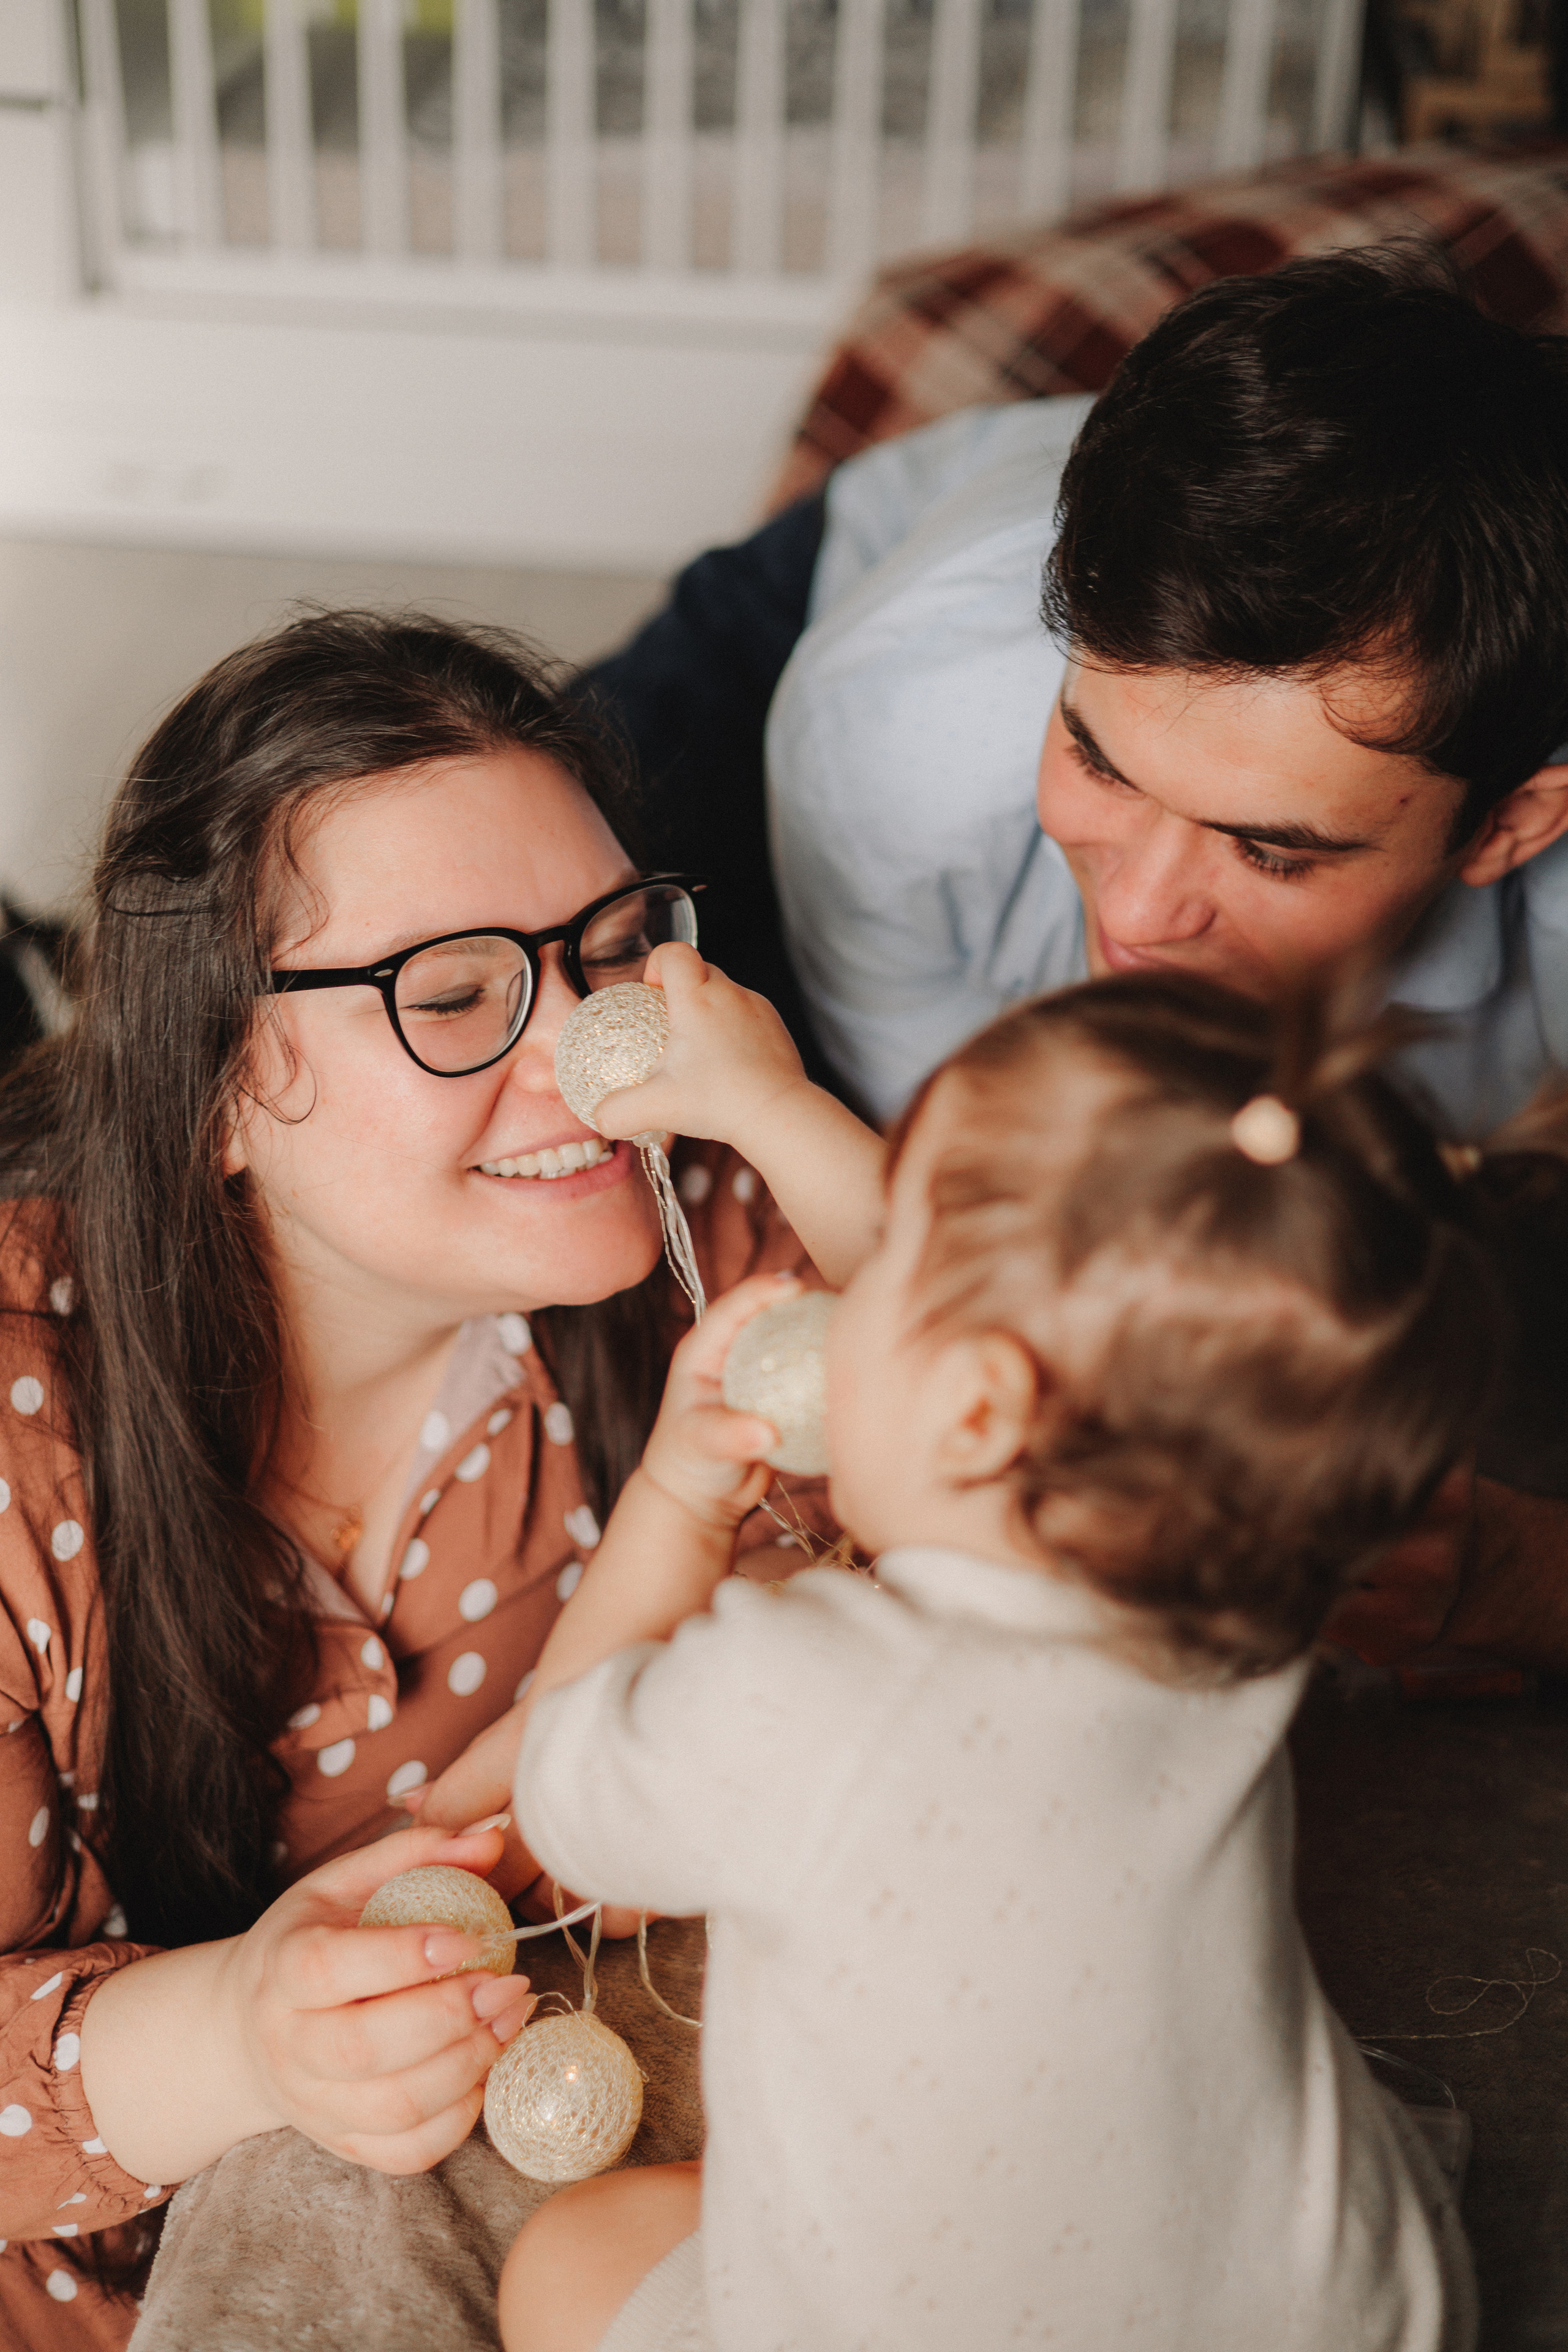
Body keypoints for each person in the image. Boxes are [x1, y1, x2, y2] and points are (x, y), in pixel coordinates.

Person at [466, 950, 1497, 2352]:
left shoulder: (805, 1693)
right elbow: (994, 1305)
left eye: (876, 1274)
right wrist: (768, 1106)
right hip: (1332, 2308)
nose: (836, 1288)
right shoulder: (1235, 1605)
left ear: (975, 1412)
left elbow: (570, 1785)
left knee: (574, 2258)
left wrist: (671, 1503)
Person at [0, 613, 816, 2351]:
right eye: (454, 994)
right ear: (215, 1086)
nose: (599, 1055)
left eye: (612, 954)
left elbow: (1024, 1532)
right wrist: (245, 2033)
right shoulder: (22, 1432)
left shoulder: (709, 1242)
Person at [584, 244, 1568, 1665]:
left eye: (1271, 850)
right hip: (825, 624)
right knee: (461, 953)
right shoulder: (902, 745)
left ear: (1508, 826)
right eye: (1098, 763)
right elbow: (982, 1242)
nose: (1143, 914)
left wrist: (1527, 1580)